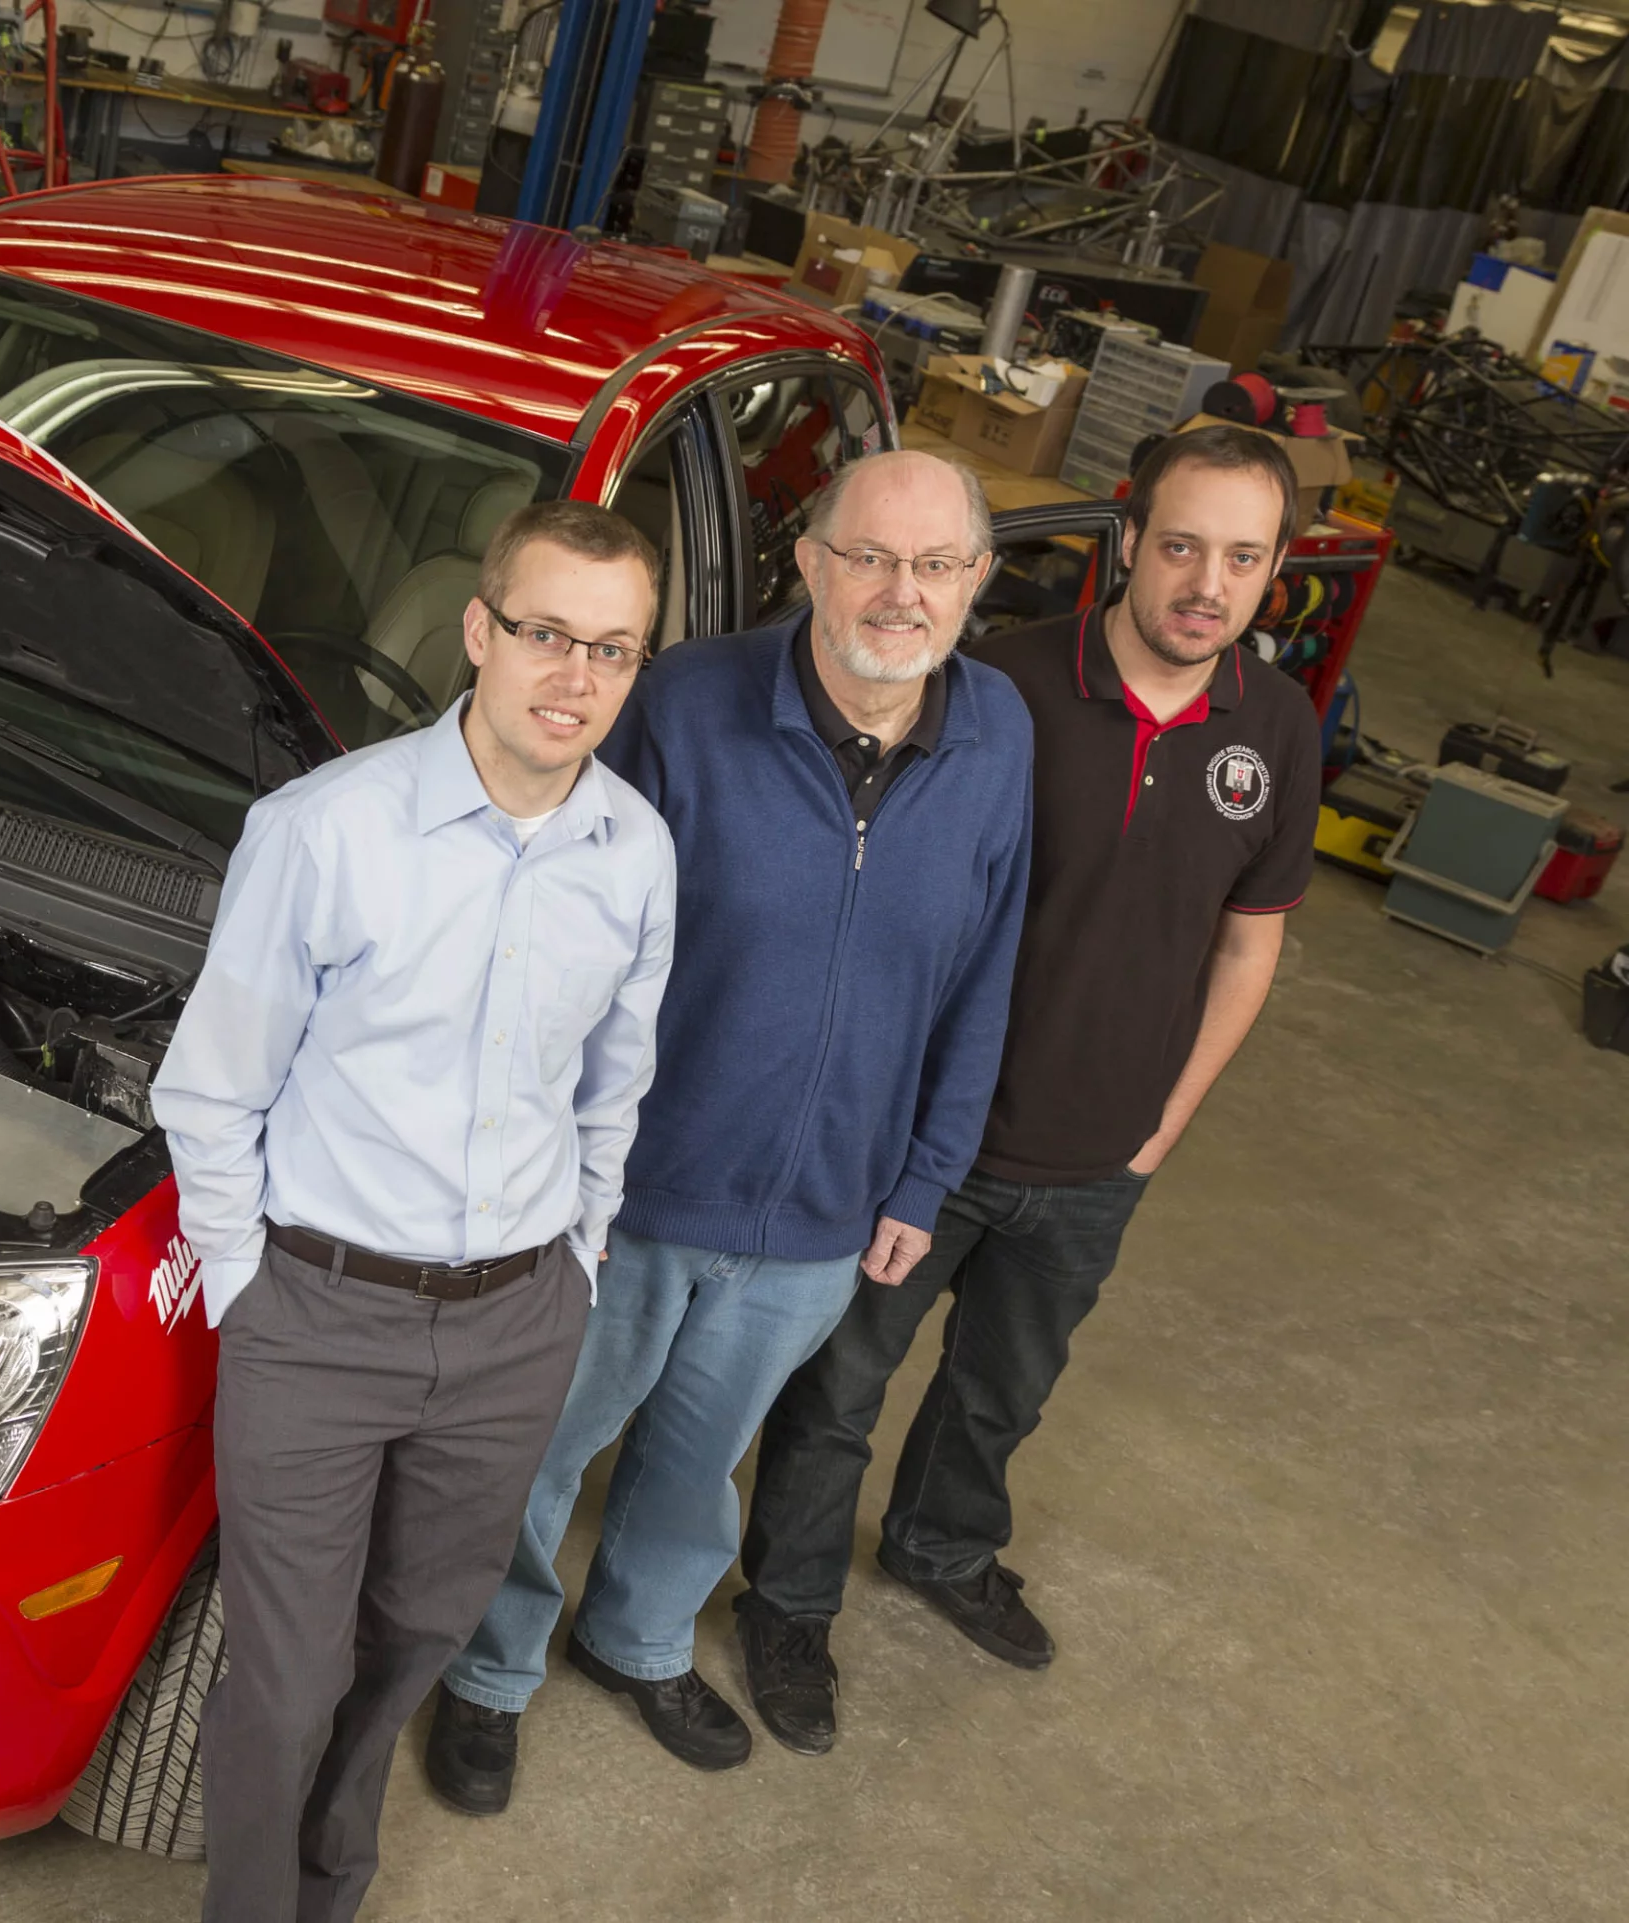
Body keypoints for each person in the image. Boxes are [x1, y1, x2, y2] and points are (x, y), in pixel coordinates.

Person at [431, 448, 1034, 1809]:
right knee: (541, 1446)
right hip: (632, 1189)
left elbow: (985, 972)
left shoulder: (997, 738)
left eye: (936, 564)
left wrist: (925, 1176)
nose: (901, 591)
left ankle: (636, 1636)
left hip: (826, 1207)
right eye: (870, 556)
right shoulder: (687, 705)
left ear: (977, 581)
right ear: (810, 564)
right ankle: (488, 1668)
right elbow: (560, 928)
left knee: (703, 1457)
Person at [734, 424, 1319, 1754]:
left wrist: (1163, 1125)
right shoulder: (995, 686)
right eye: (1180, 545)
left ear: (1275, 571)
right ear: (1126, 541)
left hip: (1101, 1154)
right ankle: (788, 1601)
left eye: (1242, 557)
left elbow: (1250, 936)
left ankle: (944, 1547)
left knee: (1004, 1386)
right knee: (839, 1387)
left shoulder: (1274, 727)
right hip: (929, 1143)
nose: (1205, 584)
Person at [153, 500, 678, 1923]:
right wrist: (249, 1285)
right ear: (478, 631)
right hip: (318, 1311)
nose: (573, 678)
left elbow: (611, 1092)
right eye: (545, 635)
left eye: (613, 650)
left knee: (419, 1631)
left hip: (516, 1319)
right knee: (287, 1666)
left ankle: (336, 1885)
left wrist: (574, 1258)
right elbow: (210, 1092)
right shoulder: (325, 833)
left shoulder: (635, 851)